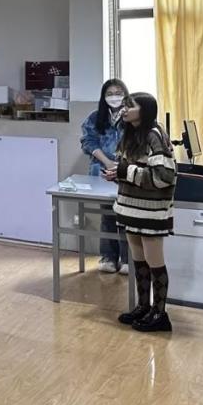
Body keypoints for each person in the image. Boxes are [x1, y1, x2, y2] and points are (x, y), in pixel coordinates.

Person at [103, 92, 176, 332]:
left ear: (145, 110)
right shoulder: (130, 134)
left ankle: (160, 313)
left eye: (130, 106)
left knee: (155, 262)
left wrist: (126, 171)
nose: (124, 109)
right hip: (131, 207)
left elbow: (164, 176)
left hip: (150, 211)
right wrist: (117, 174)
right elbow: (131, 170)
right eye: (124, 105)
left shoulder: (155, 135)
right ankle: (144, 307)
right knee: (139, 260)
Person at [81, 79, 129, 273]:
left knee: (126, 215)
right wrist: (107, 162)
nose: (114, 97)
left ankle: (127, 259)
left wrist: (123, 165)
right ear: (103, 97)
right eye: (110, 93)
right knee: (108, 216)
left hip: (127, 173)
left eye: (118, 92)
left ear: (125, 94)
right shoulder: (95, 117)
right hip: (102, 173)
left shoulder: (131, 116)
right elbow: (88, 142)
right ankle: (108, 257)